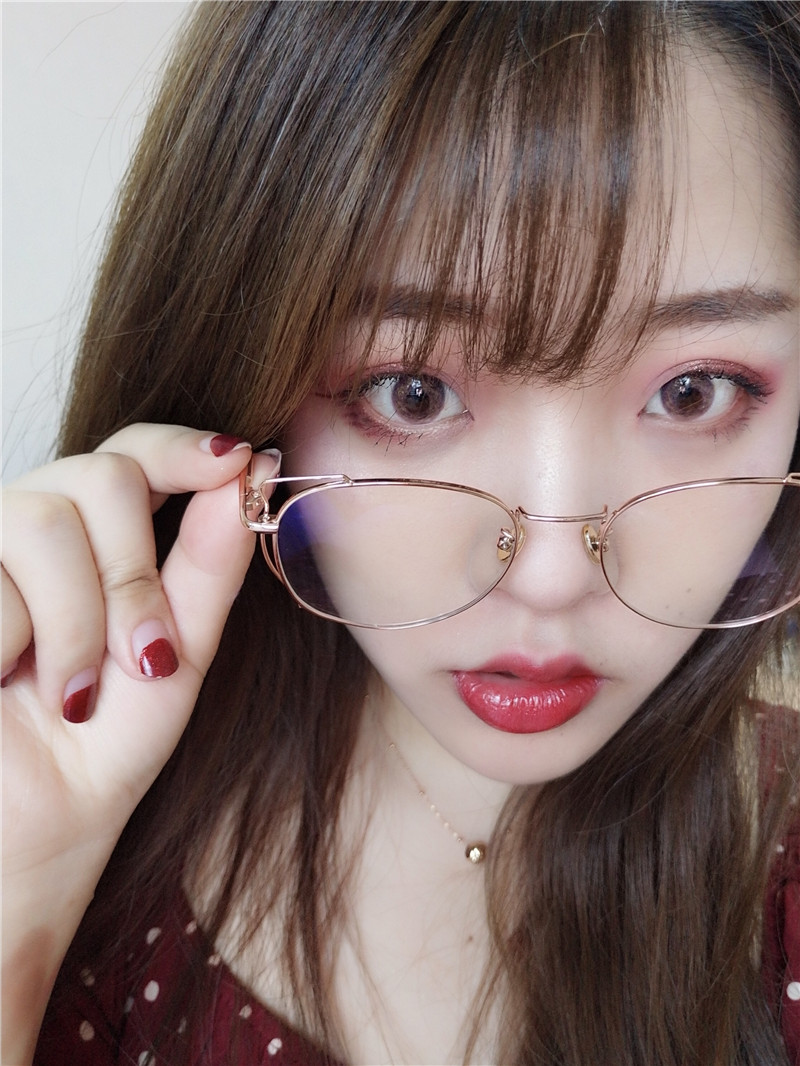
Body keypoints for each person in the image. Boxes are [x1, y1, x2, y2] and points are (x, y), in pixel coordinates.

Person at [3, 2, 799, 1064]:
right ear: (246, 381)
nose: (551, 574)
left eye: (693, 391)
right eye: (413, 391)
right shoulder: (87, 839)